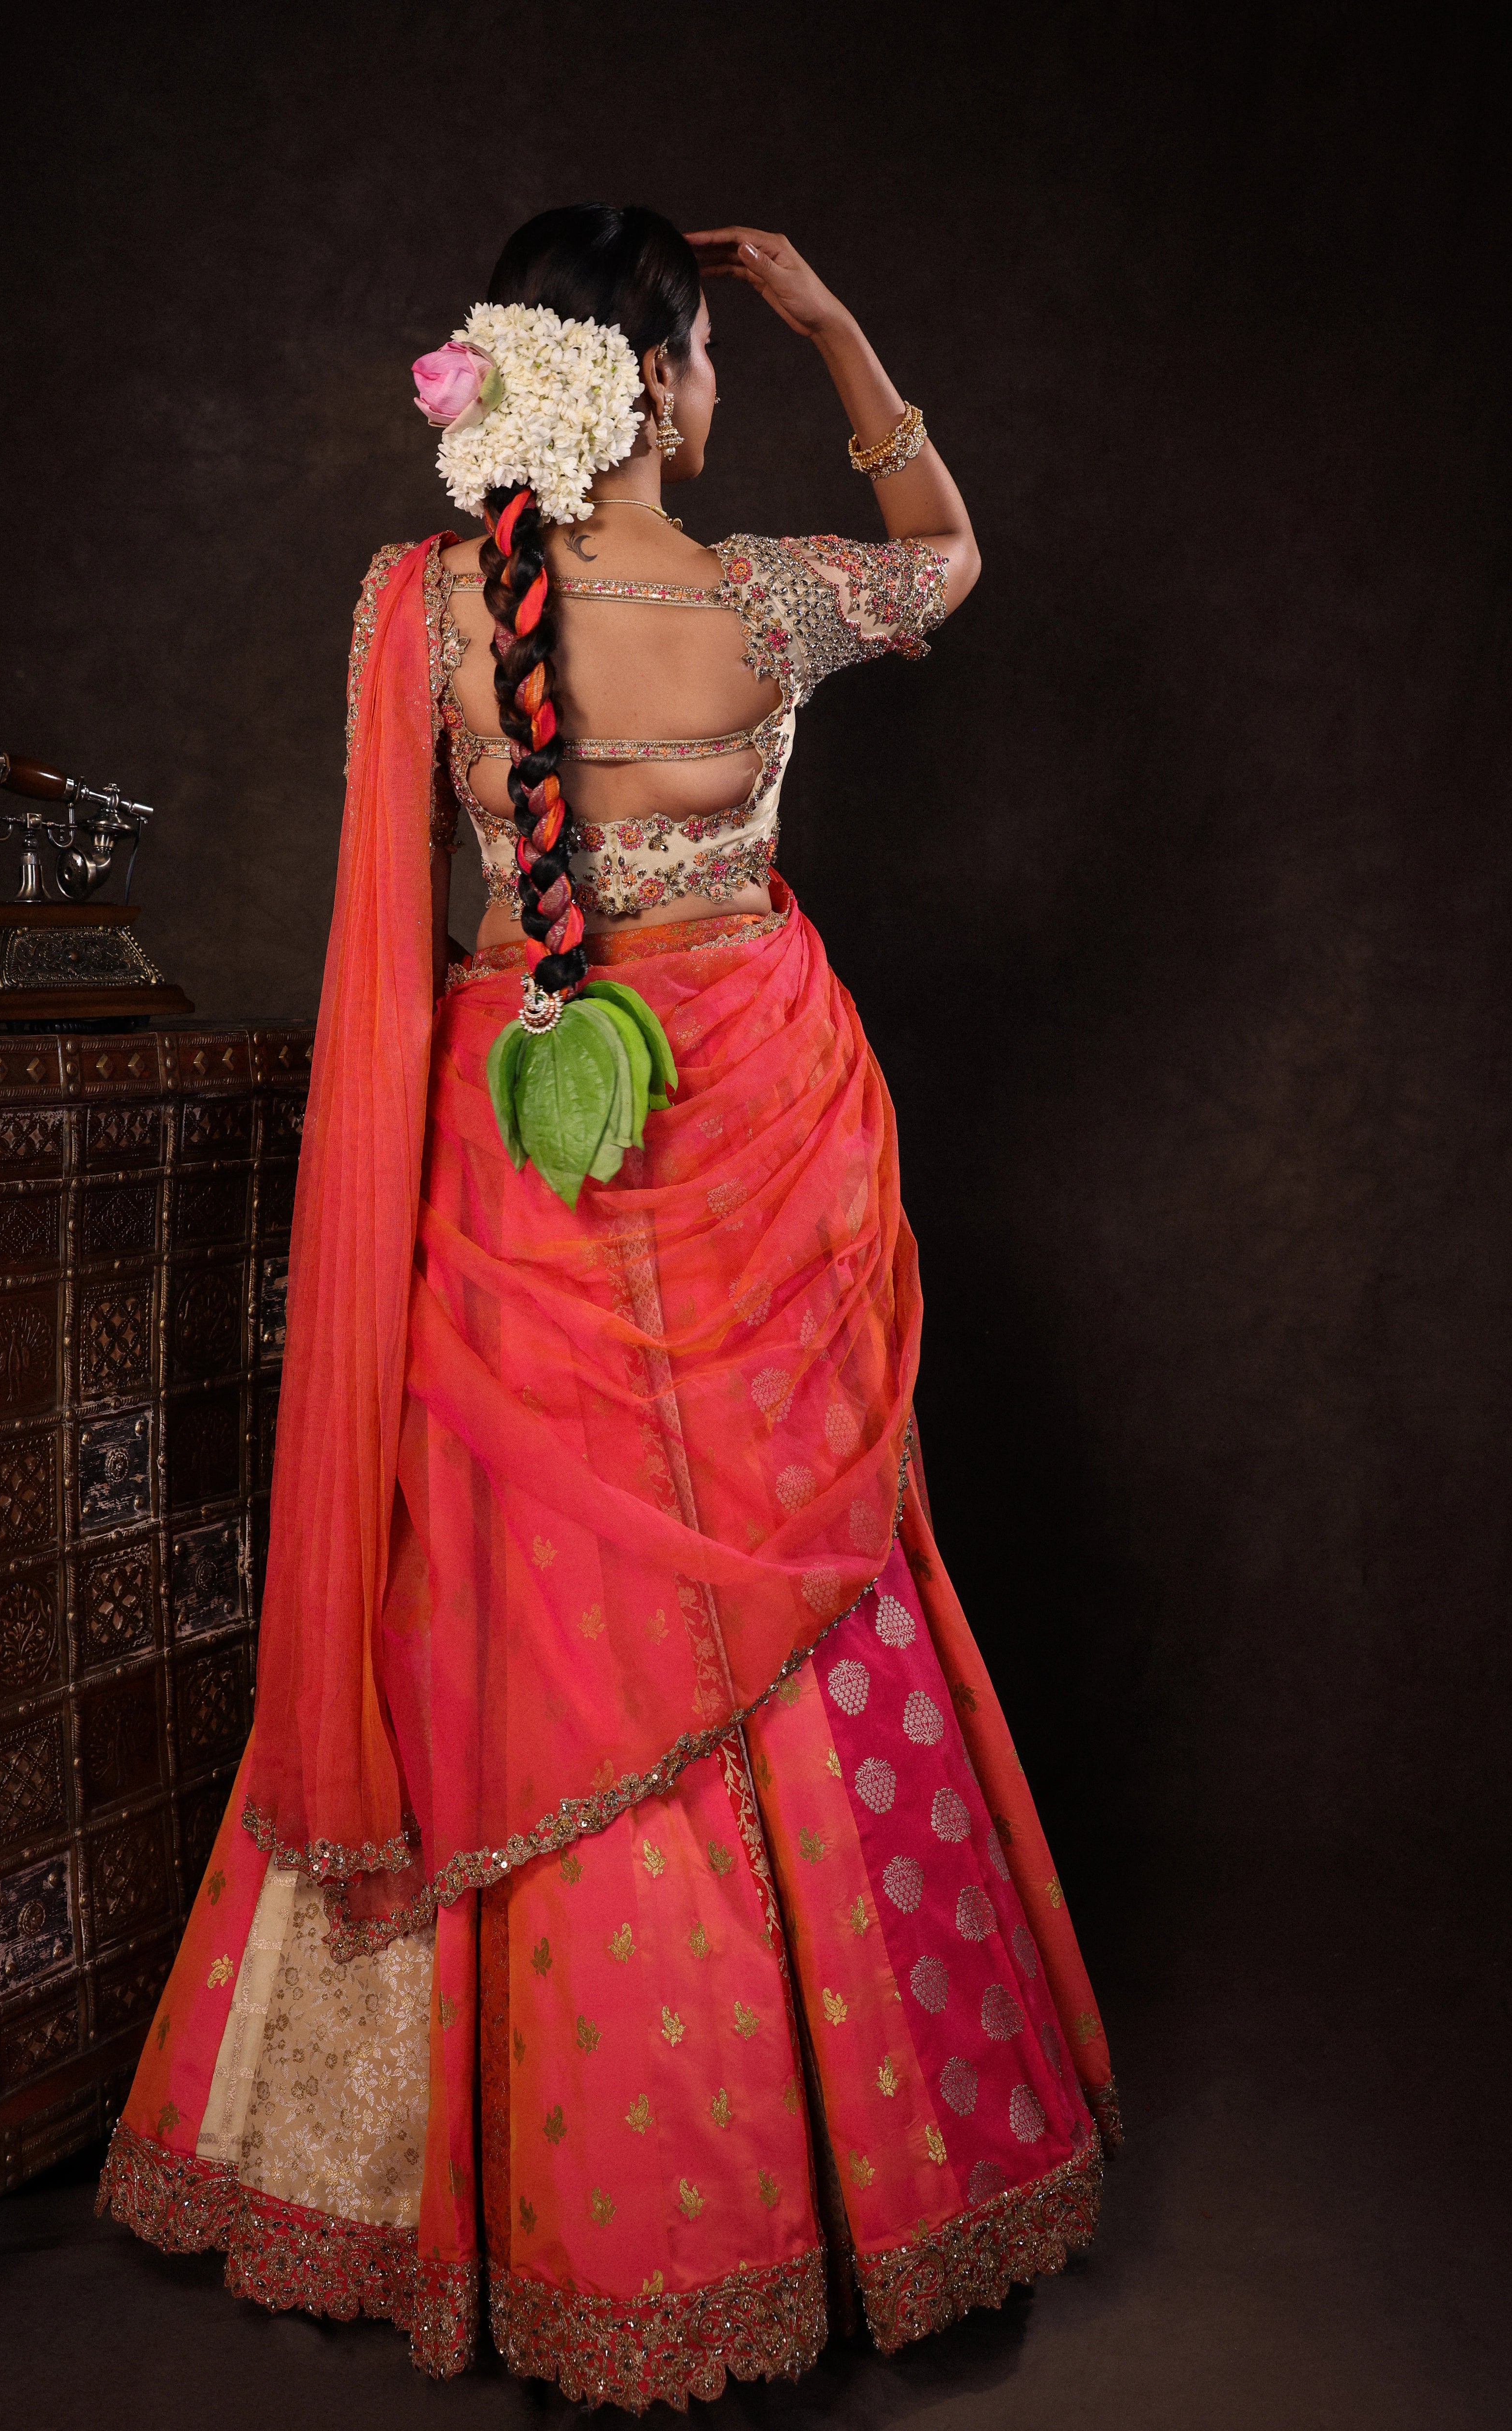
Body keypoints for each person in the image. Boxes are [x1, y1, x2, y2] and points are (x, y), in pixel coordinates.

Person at [99, 204, 1118, 2411]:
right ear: (664, 372)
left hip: (516, 1144)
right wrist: (840, 322)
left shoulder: (419, 612)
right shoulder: (764, 597)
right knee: (789, 1603)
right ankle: (845, 2166)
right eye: (716, 358)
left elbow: (407, 929)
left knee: (507, 1598)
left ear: (512, 379)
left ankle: (502, 2186)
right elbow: (945, 553)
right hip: (752, 1125)